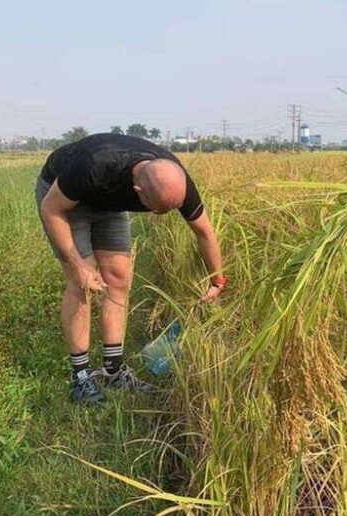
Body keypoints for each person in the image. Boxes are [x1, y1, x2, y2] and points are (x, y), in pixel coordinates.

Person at [36, 133, 226, 405]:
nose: (158, 215)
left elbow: (204, 231)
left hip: (107, 203)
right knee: (82, 283)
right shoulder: (94, 164)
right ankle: (81, 378)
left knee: (118, 278)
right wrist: (78, 265)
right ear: (138, 192)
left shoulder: (173, 178)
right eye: (155, 210)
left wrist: (217, 279)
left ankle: (114, 371)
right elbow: (51, 209)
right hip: (64, 199)